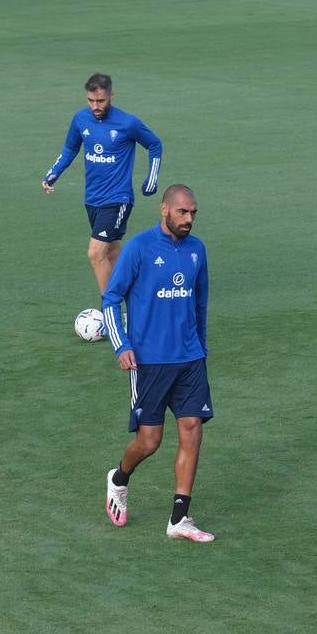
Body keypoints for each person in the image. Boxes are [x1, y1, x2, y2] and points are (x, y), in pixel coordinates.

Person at [101, 184, 214, 543]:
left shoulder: (197, 251)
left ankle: (180, 518)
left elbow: (200, 305)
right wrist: (122, 346)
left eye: (193, 213)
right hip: (149, 361)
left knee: (192, 428)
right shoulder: (139, 248)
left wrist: (201, 348)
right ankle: (119, 478)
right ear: (164, 210)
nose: (189, 219)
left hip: (190, 359)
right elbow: (110, 299)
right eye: (183, 212)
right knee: (149, 442)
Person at [42, 73, 163, 296]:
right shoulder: (80, 119)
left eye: (101, 101)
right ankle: (141, 299)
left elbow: (155, 144)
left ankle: (110, 312)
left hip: (118, 199)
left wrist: (151, 179)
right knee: (113, 254)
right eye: (91, 101)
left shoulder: (128, 122)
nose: (95, 106)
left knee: (96, 254)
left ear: (111, 97)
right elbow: (70, 148)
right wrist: (54, 173)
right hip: (92, 199)